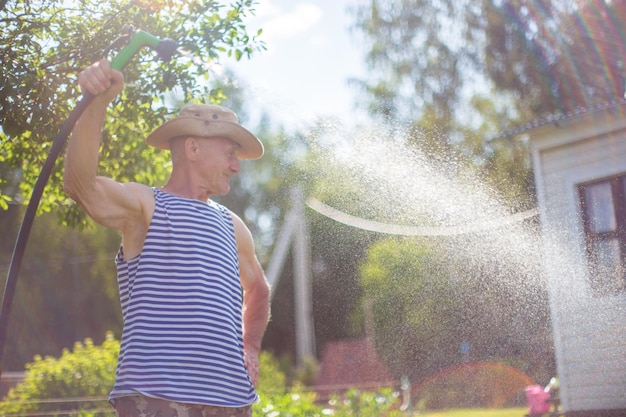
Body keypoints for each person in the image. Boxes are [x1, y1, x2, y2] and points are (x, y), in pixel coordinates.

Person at [64, 59, 271, 417]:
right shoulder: (147, 206)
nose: (236, 166)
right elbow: (81, 185)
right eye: (230, 154)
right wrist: (96, 102)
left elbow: (259, 290)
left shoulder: (232, 225)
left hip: (231, 402)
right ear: (193, 150)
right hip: (157, 398)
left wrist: (250, 345)